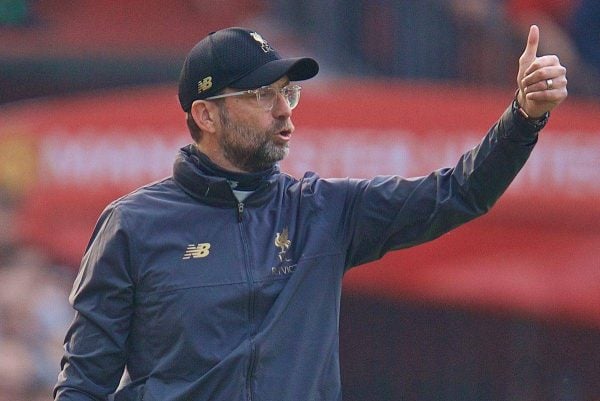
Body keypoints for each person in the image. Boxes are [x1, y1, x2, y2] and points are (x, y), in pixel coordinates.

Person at [54, 25, 567, 401]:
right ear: (205, 114)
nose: (285, 110)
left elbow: (460, 192)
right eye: (262, 95)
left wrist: (523, 118)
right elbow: (82, 385)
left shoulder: (325, 210)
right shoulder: (133, 224)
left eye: (288, 93)